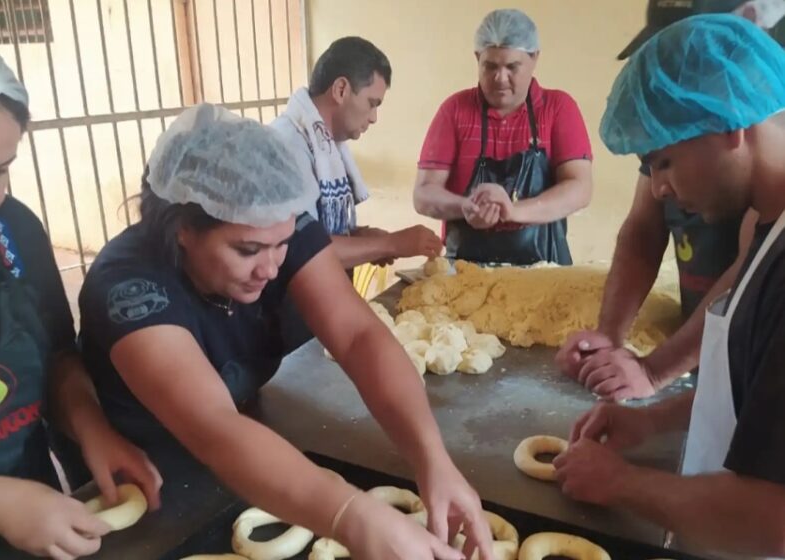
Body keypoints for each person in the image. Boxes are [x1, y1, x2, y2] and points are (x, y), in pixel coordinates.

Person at [78, 104, 495, 560]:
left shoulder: (273, 223)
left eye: (282, 244)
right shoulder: (129, 288)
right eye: (248, 250)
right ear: (183, 230)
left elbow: (358, 335)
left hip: (246, 441)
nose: (272, 267)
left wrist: (432, 459)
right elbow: (214, 427)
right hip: (146, 472)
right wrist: (351, 517)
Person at [554, 15, 785, 559]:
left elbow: (774, 519)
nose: (657, 188)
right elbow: (754, 394)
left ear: (729, 125)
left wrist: (622, 484)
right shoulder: (766, 229)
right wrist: (650, 422)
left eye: (664, 161)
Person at [0, 23, 161, 560]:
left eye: (0, 170)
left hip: (28, 528)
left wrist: (91, 428)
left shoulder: (12, 231)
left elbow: (58, 355)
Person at [556, 0, 785, 402]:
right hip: (728, 379)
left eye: (664, 163)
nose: (660, 188)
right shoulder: (696, 139)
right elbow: (643, 232)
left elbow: (743, 278)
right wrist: (609, 339)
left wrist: (654, 370)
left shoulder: (763, 180)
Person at [413, 9, 593, 265]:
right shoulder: (454, 110)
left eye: (512, 67)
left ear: (534, 58)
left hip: (545, 271)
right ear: (477, 58)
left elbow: (580, 188)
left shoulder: (558, 108)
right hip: (466, 271)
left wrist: (513, 211)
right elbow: (423, 194)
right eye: (490, 66)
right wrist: (465, 207)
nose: (500, 78)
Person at [271, 36, 442, 270]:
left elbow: (319, 230)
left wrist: (364, 238)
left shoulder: (326, 145)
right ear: (341, 90)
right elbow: (303, 249)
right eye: (372, 103)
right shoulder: (288, 147)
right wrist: (390, 244)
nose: (373, 117)